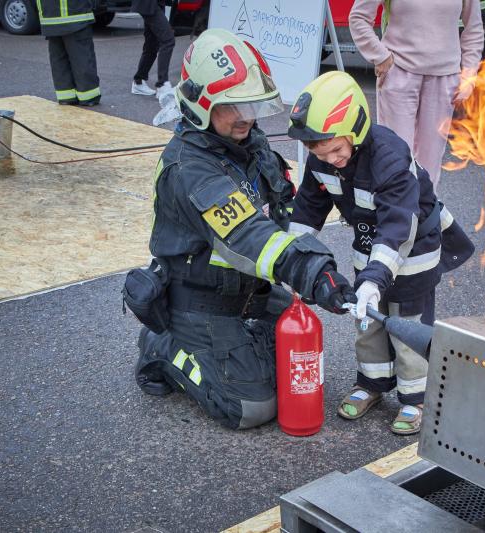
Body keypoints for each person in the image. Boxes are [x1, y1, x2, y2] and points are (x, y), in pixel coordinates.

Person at [130, 29, 355, 429]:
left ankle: (234, 347)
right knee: (253, 407)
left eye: (251, 104)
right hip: (201, 299)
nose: (247, 116)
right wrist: (311, 269)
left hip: (249, 291)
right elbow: (248, 236)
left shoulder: (249, 144)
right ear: (202, 104)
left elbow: (284, 205)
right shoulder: (191, 170)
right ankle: (164, 345)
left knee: (298, 357)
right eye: (234, 106)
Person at [286, 71, 475, 435]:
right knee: (368, 325)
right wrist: (294, 258)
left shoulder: (389, 156)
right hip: (369, 251)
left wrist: (374, 279)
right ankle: (371, 384)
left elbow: (398, 226)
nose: (333, 161)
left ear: (355, 130)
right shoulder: (323, 160)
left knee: (408, 330)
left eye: (338, 151)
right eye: (322, 154)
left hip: (411, 253)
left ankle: (415, 398)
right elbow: (308, 209)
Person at [349, 0, 484, 189]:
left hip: (444, 79)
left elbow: (474, 28)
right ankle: (395, 213)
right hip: (399, 74)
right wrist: (380, 56)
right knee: (395, 159)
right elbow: (358, 17)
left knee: (429, 166)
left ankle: (425, 215)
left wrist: (469, 74)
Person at [37, 0, 101, 106]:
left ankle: (66, 96)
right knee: (81, 57)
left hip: (49, 16)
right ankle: (89, 97)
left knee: (59, 59)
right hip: (75, 14)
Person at [130, 0, 176, 102]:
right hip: (150, 3)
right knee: (168, 40)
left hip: (155, 3)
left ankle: (139, 81)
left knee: (152, 43)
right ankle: (162, 84)